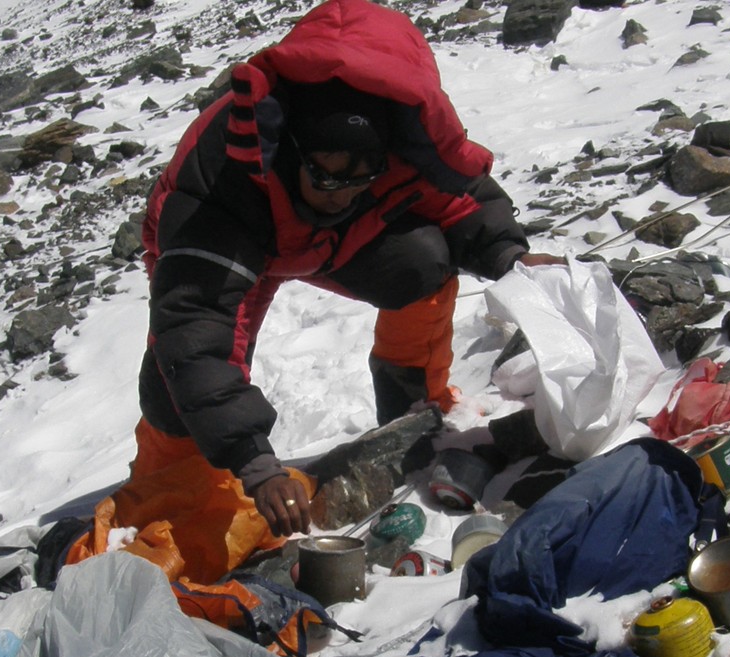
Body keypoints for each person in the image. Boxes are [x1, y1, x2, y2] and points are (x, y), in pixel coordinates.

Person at [126, 0, 562, 571]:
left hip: (332, 242)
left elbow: (461, 201)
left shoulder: (396, 143)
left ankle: (412, 417)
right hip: (243, 240)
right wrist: (257, 465)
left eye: (361, 178)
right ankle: (160, 500)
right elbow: (196, 330)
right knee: (174, 378)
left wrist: (512, 257)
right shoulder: (226, 172)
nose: (341, 190)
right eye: (326, 173)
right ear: (295, 149)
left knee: (423, 259)